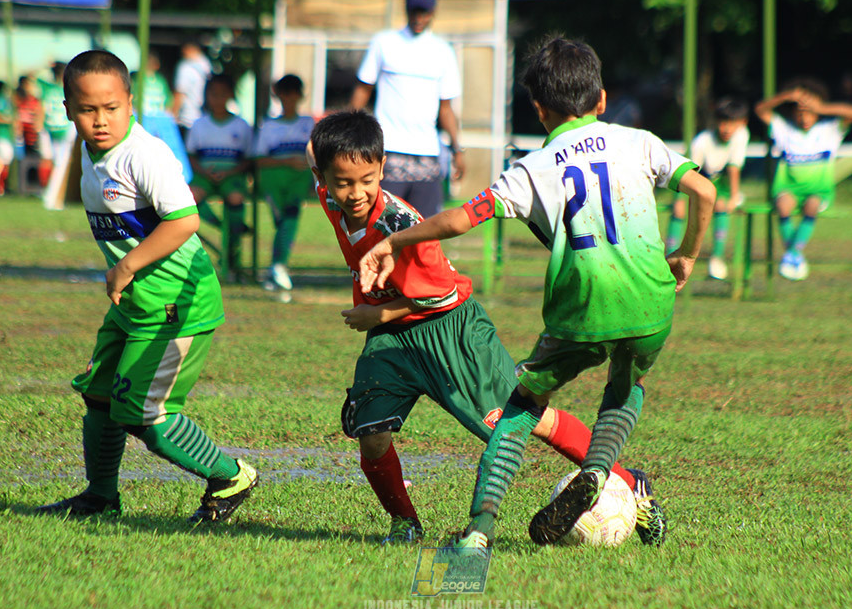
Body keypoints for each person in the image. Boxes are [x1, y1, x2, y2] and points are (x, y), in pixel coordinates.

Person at [359, 37, 716, 553]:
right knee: (624, 386)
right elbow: (705, 192)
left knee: (521, 408)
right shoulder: (639, 142)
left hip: (582, 307)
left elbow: (458, 220)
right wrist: (686, 255)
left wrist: (394, 239)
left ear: (539, 110)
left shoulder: (531, 169)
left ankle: (480, 530)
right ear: (601, 100)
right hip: (652, 301)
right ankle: (595, 472)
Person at [308, 109, 646, 545]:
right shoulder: (327, 195)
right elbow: (315, 157)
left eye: (367, 180)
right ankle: (405, 524)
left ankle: (628, 481)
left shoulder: (401, 226)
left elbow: (443, 294)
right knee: (370, 432)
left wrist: (377, 314)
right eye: (343, 182)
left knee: (524, 420)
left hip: (451, 331)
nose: (356, 193)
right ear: (323, 177)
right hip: (393, 341)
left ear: (383, 168)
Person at [35, 50, 258, 521]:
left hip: (177, 301)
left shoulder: (145, 154)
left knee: (142, 413)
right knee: (98, 394)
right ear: (68, 109)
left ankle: (230, 474)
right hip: (136, 303)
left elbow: (186, 221)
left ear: (130, 103)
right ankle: (100, 496)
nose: (100, 120)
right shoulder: (89, 152)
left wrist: (126, 266)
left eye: (111, 108)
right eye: (87, 109)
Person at [349, 0, 465, 219]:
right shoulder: (384, 42)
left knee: (425, 230)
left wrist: (457, 149)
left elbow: (446, 108)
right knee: (384, 226)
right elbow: (363, 90)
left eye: (424, 12)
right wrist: (350, 132)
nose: (419, 18)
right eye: (414, 11)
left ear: (433, 11)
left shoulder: (443, 51)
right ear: (406, 9)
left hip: (427, 157)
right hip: (388, 154)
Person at [755, 78, 852, 281]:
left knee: (811, 206)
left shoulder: (829, 131)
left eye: (809, 112)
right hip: (788, 188)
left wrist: (822, 107)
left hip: (818, 191)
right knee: (784, 205)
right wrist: (786, 96)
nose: (805, 118)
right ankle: (794, 254)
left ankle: (792, 253)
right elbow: (760, 110)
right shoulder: (784, 130)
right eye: (800, 112)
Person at [666, 96, 749, 280]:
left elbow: (734, 167)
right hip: (698, 180)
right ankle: (669, 259)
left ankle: (717, 258)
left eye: (732, 123)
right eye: (722, 122)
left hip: (720, 184)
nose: (726, 128)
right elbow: (688, 174)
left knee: (721, 205)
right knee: (679, 212)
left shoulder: (742, 135)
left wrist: (734, 196)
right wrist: (679, 200)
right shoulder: (702, 141)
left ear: (741, 123)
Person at [252, 74, 315, 297]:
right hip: (274, 182)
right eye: (284, 93)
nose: (289, 98)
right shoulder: (269, 126)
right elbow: (259, 159)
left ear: (299, 95)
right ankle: (275, 269)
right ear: (278, 95)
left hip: (297, 183)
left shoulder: (308, 124)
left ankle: (278, 267)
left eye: (293, 93)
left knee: (290, 217)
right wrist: (287, 161)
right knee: (283, 222)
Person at [186, 74, 253, 275]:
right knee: (186, 199)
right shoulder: (199, 124)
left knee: (235, 198)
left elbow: (248, 159)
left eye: (222, 94)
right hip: (204, 175)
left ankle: (233, 252)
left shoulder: (241, 125)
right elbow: (191, 156)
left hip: (232, 176)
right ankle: (219, 227)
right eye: (213, 94)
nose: (217, 98)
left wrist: (230, 172)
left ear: (231, 95)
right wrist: (205, 171)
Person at [133, 51, 192, 184]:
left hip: (160, 119)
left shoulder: (160, 81)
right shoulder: (137, 80)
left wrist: (169, 113)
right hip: (143, 118)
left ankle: (179, 178)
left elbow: (167, 100)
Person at [38, 62, 77, 197]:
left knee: (52, 161)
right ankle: (53, 195)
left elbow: (33, 78)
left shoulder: (46, 88)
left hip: (49, 129)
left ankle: (49, 192)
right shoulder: (70, 89)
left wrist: (45, 65)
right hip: (65, 129)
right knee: (60, 163)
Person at [172, 42, 212, 141]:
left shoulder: (185, 67)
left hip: (187, 120)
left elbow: (180, 93)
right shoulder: (207, 64)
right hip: (204, 119)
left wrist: (172, 116)